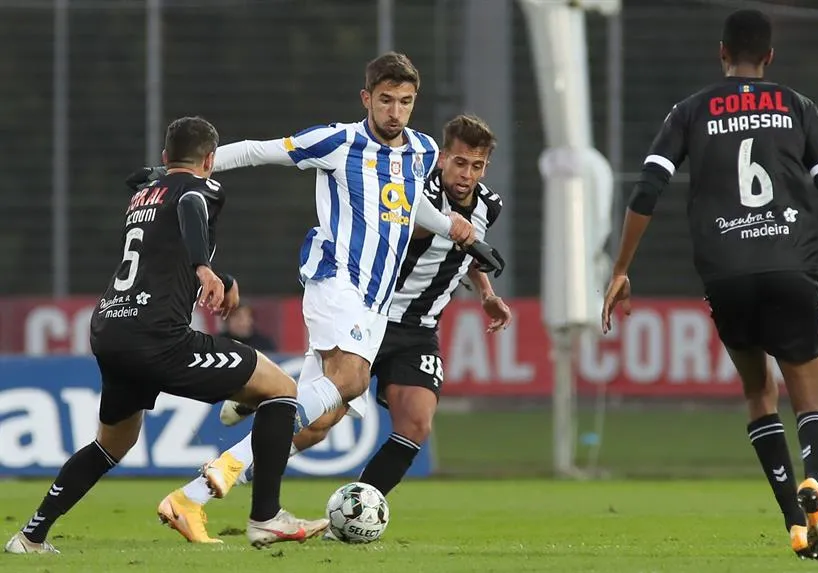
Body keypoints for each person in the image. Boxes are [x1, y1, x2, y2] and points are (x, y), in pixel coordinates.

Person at [129, 53, 495, 537]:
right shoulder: (338, 141)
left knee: (314, 419)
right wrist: (183, 176)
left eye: (404, 102)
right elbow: (260, 150)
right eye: (385, 100)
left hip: (373, 299)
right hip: (337, 279)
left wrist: (455, 228)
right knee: (350, 381)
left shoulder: (423, 151)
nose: (394, 112)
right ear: (367, 99)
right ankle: (235, 451)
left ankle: (202, 500)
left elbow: (410, 204)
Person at [600, 9, 818, 562]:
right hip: (792, 267)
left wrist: (622, 269)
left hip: (727, 272)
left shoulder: (690, 111)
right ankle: (814, 479)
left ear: (722, 54)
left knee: (756, 392)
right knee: (810, 398)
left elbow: (648, 189)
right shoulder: (798, 106)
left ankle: (795, 517)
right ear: (769, 56)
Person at [4, 117, 325, 554]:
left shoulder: (142, 197)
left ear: (163, 158)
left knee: (111, 444)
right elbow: (191, 204)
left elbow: (162, 252)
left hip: (111, 330)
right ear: (210, 159)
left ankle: (31, 535)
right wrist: (206, 268)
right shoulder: (202, 190)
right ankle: (266, 518)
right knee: (282, 391)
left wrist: (219, 275)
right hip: (158, 338)